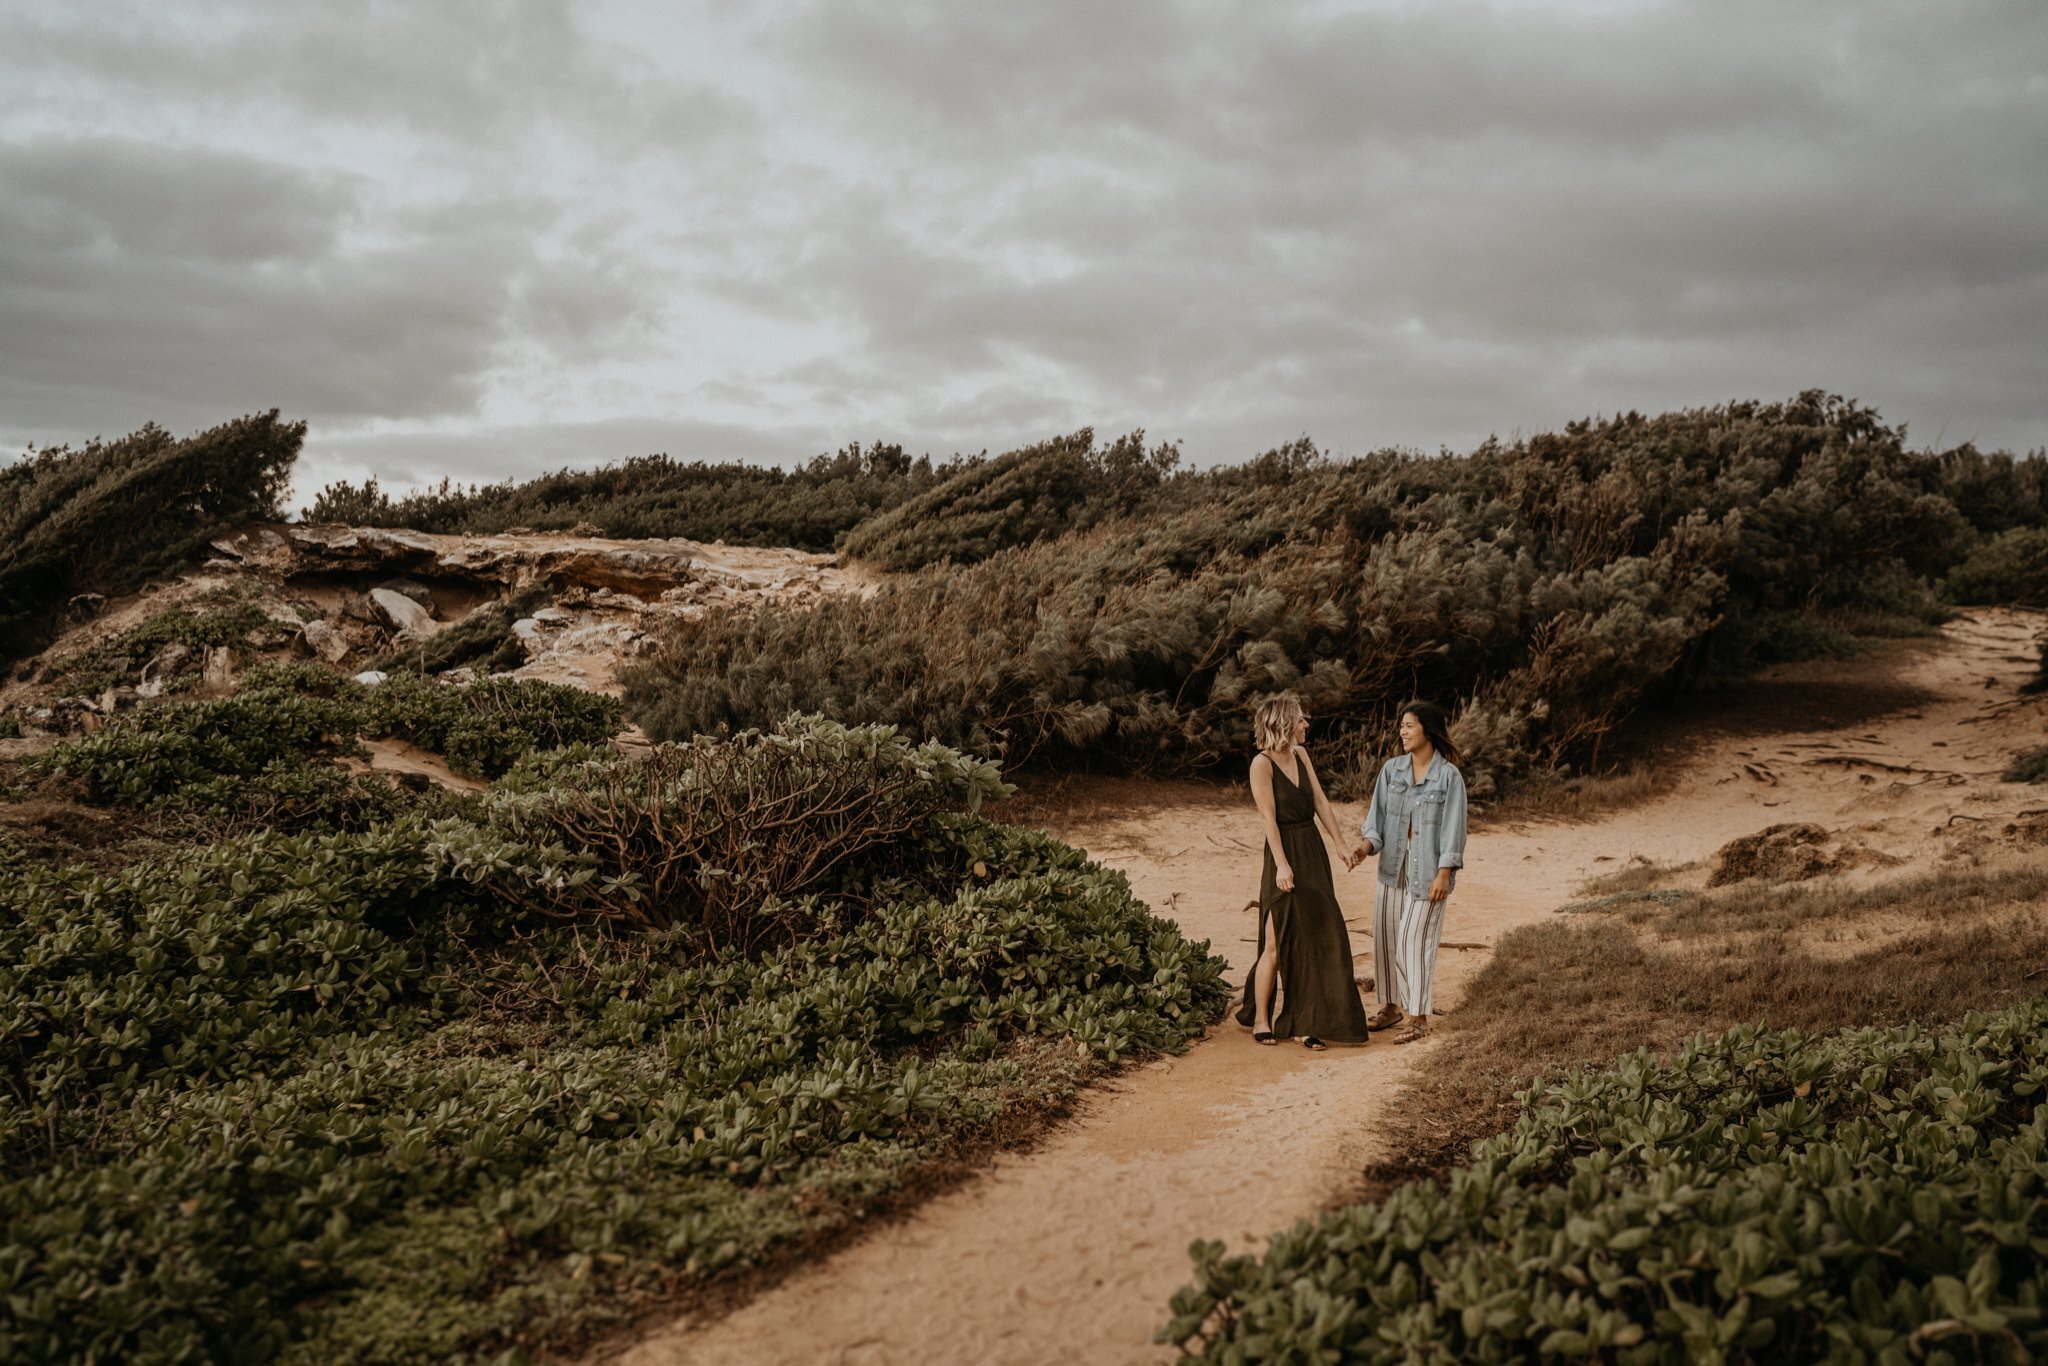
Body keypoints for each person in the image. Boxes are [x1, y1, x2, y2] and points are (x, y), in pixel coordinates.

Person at [1236, 694, 1374, 1050]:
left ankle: (1307, 1021)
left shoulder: (1301, 755)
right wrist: (1282, 864)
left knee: (1315, 937)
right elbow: (1269, 819)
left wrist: (1342, 846)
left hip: (1311, 851)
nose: (1306, 724)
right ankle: (1263, 1020)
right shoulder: (1261, 765)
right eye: (1300, 719)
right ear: (1283, 723)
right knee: (1276, 942)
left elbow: (1319, 801)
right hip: (1283, 852)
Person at [1352, 700, 1469, 1044]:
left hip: (1430, 874)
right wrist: (1364, 848)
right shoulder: (1392, 771)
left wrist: (1445, 873)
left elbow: (1454, 829)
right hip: (1392, 869)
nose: (1402, 732)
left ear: (1427, 730)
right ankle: (1390, 1008)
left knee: (1411, 941)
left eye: (1409, 725)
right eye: (1401, 726)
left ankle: (1418, 1017)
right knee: (1387, 938)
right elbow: (1377, 823)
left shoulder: (1449, 777)